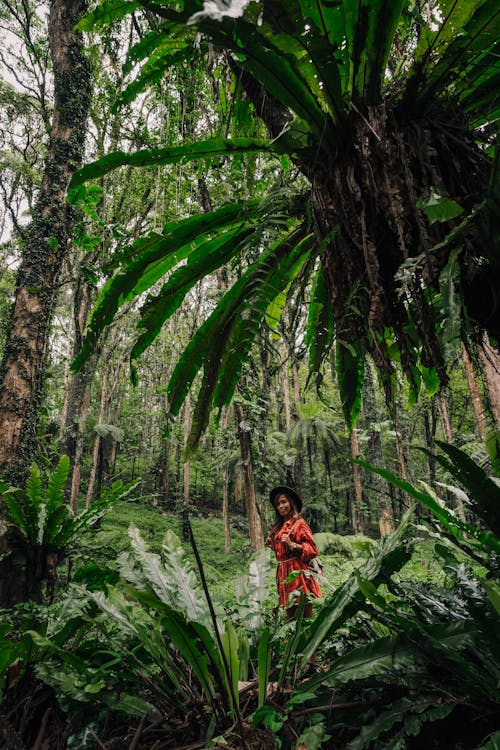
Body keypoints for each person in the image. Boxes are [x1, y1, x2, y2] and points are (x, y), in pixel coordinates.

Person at [265, 485, 321, 620]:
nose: (280, 506)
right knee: (289, 612)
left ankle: (309, 639)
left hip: (297, 573)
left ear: (291, 503)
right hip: (283, 574)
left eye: (284, 502)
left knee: (303, 610)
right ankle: (292, 639)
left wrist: (293, 545)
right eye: (278, 504)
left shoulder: (299, 524)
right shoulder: (278, 526)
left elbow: (313, 550)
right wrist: (273, 545)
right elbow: (283, 553)